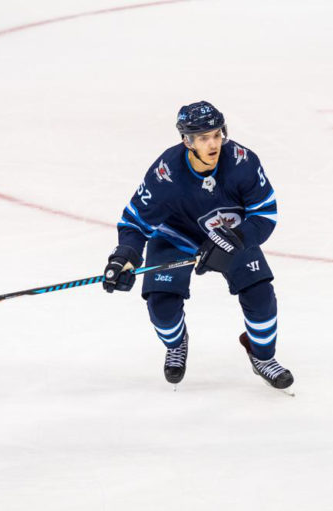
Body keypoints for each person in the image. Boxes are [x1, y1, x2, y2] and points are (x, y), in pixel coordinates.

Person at [102, 101, 293, 390]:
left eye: (217, 134)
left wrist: (236, 238)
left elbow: (264, 214)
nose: (214, 144)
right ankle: (176, 344)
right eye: (204, 138)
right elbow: (134, 223)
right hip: (176, 236)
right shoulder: (166, 174)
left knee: (261, 296)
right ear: (187, 141)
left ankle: (263, 357)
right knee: (162, 306)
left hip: (231, 236)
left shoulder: (242, 162)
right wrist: (124, 257)